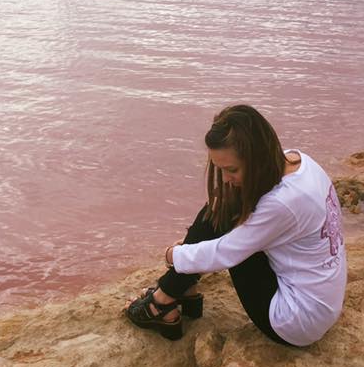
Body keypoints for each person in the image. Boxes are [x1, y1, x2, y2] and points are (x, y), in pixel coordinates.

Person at [125, 104, 347, 345]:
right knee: (227, 203)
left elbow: (226, 253)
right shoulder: (301, 162)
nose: (227, 177)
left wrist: (174, 255)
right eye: (221, 169)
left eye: (232, 169)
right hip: (321, 304)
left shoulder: (283, 203)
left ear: (257, 156)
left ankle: (164, 299)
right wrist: (191, 251)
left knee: (223, 212)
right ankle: (178, 293)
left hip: (296, 321)